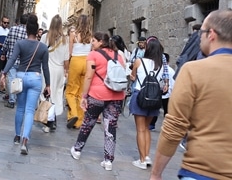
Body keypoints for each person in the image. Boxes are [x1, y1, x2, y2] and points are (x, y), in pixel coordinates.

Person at [150, 10, 232, 180]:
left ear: (211, 35)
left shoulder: (194, 70)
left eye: (201, 32)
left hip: (201, 171)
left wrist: (156, 174)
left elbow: (174, 127)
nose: (198, 37)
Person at [70, 32, 126, 171]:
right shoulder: (117, 56)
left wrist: (84, 96)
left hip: (97, 95)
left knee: (88, 122)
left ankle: (77, 150)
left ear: (101, 42)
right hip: (116, 96)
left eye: (94, 41)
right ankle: (108, 160)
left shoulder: (93, 55)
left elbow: (89, 76)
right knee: (110, 127)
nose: (92, 43)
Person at [0, 15, 50, 155]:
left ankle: (17, 136)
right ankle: (25, 140)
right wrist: (48, 85)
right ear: (37, 31)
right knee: (29, 110)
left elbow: (12, 59)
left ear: (27, 30)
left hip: (21, 77)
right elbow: (45, 67)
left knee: (20, 108)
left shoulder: (20, 44)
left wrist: (4, 73)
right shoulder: (43, 47)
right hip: (35, 78)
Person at [128, 36, 168, 170]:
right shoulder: (162, 65)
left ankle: (142, 159)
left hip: (140, 95)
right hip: (154, 99)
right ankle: (147, 156)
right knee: (147, 128)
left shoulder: (139, 61)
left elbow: (133, 77)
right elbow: (163, 82)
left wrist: (131, 76)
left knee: (140, 129)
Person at [39, 14, 69, 130]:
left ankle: (49, 122)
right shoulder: (65, 40)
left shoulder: (45, 37)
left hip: (46, 69)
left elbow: (40, 54)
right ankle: (53, 119)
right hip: (59, 70)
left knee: (46, 94)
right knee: (56, 94)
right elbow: (66, 59)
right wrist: (66, 71)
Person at [65, 14, 93, 129]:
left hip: (76, 61)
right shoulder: (91, 36)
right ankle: (79, 122)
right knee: (82, 92)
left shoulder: (74, 34)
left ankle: (73, 114)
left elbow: (70, 52)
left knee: (71, 91)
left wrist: (66, 67)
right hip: (87, 62)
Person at [1, 13, 29, 108]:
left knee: (11, 79)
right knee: (21, 79)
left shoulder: (12, 29)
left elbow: (6, 42)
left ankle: (11, 100)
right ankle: (18, 99)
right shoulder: (28, 33)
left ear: (20, 21)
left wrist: (3, 53)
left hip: (11, 59)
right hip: (23, 60)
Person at [149, 53, 175, 131]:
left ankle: (152, 124)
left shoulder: (158, 68)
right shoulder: (171, 71)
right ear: (168, 61)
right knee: (167, 111)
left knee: (156, 109)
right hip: (168, 94)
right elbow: (173, 83)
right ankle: (166, 126)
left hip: (158, 93)